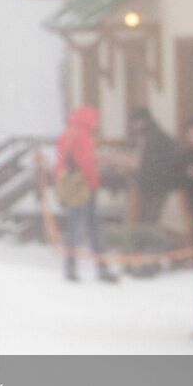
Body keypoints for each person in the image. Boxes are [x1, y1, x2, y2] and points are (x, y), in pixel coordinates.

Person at [54, 104, 118, 282]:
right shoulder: (83, 136)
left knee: (75, 225)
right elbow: (86, 162)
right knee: (90, 227)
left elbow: (60, 161)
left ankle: (71, 265)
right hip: (82, 187)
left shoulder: (67, 133)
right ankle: (99, 267)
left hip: (69, 185)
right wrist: (94, 182)